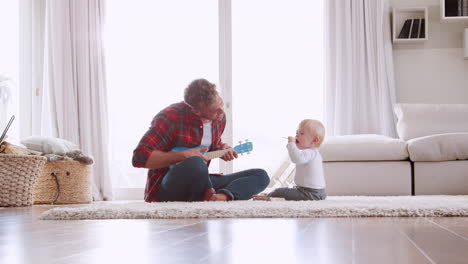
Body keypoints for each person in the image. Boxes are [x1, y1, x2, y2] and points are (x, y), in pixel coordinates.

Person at [132, 78, 270, 202]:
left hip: (200, 183)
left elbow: (210, 146)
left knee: (261, 175)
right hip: (169, 187)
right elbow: (139, 158)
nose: (221, 112)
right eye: (215, 111)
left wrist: (222, 149)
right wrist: (184, 155)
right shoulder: (170, 117)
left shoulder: (218, 118)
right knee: (195, 163)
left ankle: (219, 198)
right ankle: (205, 194)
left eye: (221, 104)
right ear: (196, 111)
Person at [268, 119, 326, 201]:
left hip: (310, 193)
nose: (297, 136)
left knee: (278, 191)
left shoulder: (310, 152)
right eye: (296, 133)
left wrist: (291, 144)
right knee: (286, 191)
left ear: (315, 140)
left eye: (301, 133)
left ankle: (267, 197)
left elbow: (297, 158)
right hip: (314, 192)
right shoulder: (313, 153)